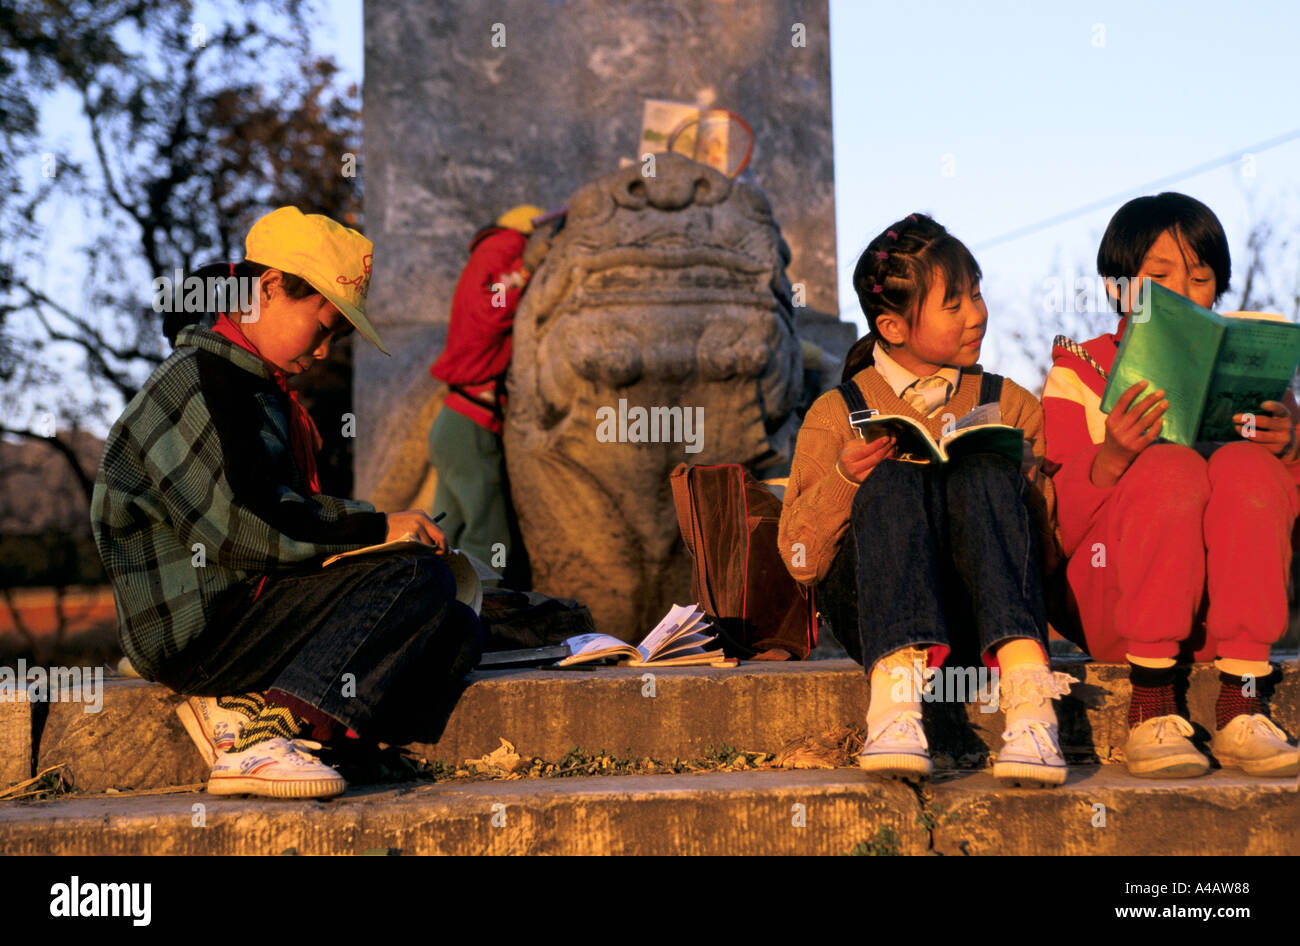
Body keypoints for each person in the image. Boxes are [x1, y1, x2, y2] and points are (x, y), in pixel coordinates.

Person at [91, 206, 483, 799]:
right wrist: (376, 528)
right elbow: (243, 527)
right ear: (270, 289)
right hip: (204, 633)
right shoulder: (203, 380)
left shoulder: (253, 384)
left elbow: (276, 513)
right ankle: (259, 736)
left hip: (252, 601)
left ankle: (341, 743)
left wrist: (373, 538)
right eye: (323, 327)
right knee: (412, 579)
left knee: (455, 623)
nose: (325, 352)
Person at [778, 213, 1073, 786]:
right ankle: (893, 711)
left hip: (986, 623)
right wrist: (845, 477)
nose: (977, 314)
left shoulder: (1009, 403)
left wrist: (1026, 482)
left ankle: (1032, 706)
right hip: (880, 620)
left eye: (978, 293)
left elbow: (1051, 551)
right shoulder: (836, 412)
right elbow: (800, 561)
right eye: (955, 303)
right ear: (892, 327)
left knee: (985, 472)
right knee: (890, 481)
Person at [1041, 192, 1300, 778]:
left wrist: (1288, 451)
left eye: (1201, 278)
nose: (1184, 292)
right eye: (1159, 277)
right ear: (1119, 289)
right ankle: (1151, 708)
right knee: (1169, 467)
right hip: (1117, 607)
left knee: (1248, 466)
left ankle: (1244, 704)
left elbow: (1285, 516)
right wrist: (1111, 457)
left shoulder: (1262, 386)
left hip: (1221, 619)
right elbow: (1053, 523)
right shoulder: (1078, 372)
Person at [427, 204, 544, 574]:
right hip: (470, 427)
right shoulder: (507, 244)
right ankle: (491, 617)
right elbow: (490, 308)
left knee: (445, 537)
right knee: (489, 539)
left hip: (455, 423)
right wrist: (526, 271)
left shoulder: (488, 248)